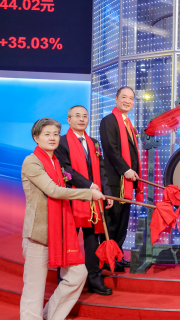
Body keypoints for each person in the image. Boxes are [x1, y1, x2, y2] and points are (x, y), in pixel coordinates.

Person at [20, 118, 105, 320]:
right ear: (36, 137)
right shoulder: (31, 161)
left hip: (60, 233)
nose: (52, 138)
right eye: (47, 134)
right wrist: (88, 193)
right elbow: (53, 191)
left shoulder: (57, 163)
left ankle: (51, 316)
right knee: (34, 289)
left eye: (55, 134)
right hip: (38, 233)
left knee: (78, 274)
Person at [54, 105, 114, 295]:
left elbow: (102, 170)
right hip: (72, 199)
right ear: (68, 119)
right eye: (77, 116)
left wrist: (106, 192)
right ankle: (65, 280)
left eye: (85, 116)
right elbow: (66, 171)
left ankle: (94, 279)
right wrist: (89, 186)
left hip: (94, 200)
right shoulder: (61, 142)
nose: (81, 119)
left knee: (92, 241)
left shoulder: (94, 143)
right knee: (68, 240)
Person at [99, 86, 143, 272]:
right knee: (112, 221)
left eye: (131, 98)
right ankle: (108, 258)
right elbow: (110, 149)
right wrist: (125, 170)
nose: (127, 101)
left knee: (123, 221)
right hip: (114, 179)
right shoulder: (109, 121)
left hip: (127, 182)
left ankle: (117, 255)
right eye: (124, 97)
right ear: (116, 99)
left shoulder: (128, 124)